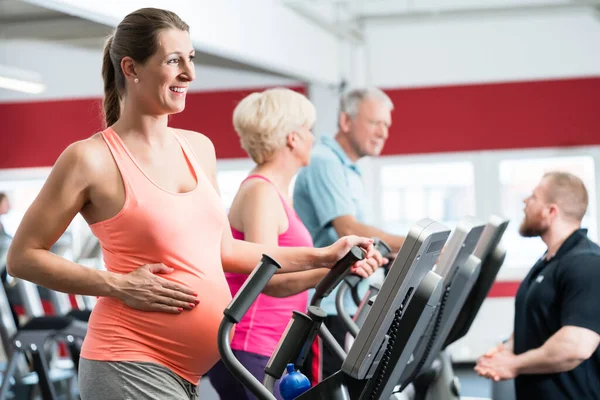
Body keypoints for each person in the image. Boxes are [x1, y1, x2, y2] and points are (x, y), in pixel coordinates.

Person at [5, 8, 381, 400]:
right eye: (174, 60)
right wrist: (115, 285)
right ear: (131, 68)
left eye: (192, 59)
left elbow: (228, 252)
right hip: (127, 360)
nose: (190, 73)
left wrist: (325, 256)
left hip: (190, 371)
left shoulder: (198, 148)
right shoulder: (90, 159)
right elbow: (23, 256)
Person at [206, 88, 384, 399]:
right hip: (250, 347)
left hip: (272, 348)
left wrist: (343, 269)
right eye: (308, 130)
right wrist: (335, 267)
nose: (313, 139)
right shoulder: (260, 193)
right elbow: (269, 279)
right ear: (292, 138)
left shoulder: (275, 193)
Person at [293, 87, 407, 380]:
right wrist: (411, 244)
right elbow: (350, 230)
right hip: (325, 307)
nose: (383, 132)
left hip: (346, 303)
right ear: (346, 122)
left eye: (387, 125)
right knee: (326, 391)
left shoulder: (349, 169)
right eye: (375, 123)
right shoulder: (324, 161)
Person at [475, 172, 600, 400]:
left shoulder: (587, 263)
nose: (525, 202)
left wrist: (514, 364)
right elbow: (535, 321)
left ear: (551, 211)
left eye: (533, 197)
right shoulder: (548, 260)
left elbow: (576, 346)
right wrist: (505, 351)